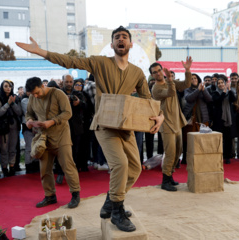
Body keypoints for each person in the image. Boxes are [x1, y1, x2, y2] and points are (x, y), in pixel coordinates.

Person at [16, 26, 164, 232]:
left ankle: (111, 201)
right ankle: (117, 211)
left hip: (127, 127)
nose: (120, 39)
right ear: (112, 45)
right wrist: (42, 52)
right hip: (104, 124)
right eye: (117, 37)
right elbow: (71, 61)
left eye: (124, 37)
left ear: (130, 44)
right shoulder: (100, 62)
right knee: (120, 165)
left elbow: (148, 99)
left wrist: (160, 115)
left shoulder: (138, 72)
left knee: (136, 168)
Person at [24, 77, 81, 209]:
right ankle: (50, 196)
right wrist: (29, 121)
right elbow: (28, 113)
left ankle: (75, 194)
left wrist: (52, 121)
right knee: (44, 169)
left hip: (61, 136)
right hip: (43, 137)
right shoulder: (33, 97)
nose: (36, 96)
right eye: (33, 94)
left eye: (37, 92)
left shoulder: (58, 94)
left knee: (68, 166)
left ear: (43, 86)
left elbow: (68, 113)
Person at [151, 58, 192, 192]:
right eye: (155, 72)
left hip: (177, 122)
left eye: (159, 70)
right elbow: (171, 92)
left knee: (178, 151)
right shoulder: (156, 89)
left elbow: (186, 84)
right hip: (166, 123)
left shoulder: (171, 81)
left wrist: (187, 70)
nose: (158, 73)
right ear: (152, 75)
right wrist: (169, 80)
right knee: (170, 153)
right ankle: (165, 180)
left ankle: (170, 175)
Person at [0, 80, 22, 177]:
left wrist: (12, 103)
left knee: (13, 148)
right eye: (6, 86)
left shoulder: (15, 98)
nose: (8, 88)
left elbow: (19, 112)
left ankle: (12, 166)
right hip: (3, 127)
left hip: (14, 126)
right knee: (4, 149)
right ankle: (4, 168)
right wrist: (8, 104)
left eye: (9, 86)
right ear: (2, 87)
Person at [182, 73, 212, 164]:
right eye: (191, 78)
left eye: (195, 78)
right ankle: (185, 158)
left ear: (198, 80)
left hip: (202, 117)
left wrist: (203, 90)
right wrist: (198, 90)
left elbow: (209, 99)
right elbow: (189, 98)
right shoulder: (187, 90)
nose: (194, 79)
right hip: (190, 117)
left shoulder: (204, 89)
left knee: (202, 139)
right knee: (187, 139)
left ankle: (200, 158)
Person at [211, 75, 236, 164]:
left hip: (229, 118)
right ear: (217, 85)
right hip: (219, 119)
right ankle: (218, 155)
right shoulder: (215, 93)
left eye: (222, 83)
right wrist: (224, 92)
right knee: (219, 139)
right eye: (219, 83)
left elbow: (233, 99)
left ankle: (227, 156)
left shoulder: (229, 92)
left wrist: (229, 90)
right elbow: (218, 101)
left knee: (228, 139)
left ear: (225, 83)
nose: (221, 84)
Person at [21, 91, 39, 173]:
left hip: (37, 127)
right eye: (29, 91)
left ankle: (35, 163)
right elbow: (30, 112)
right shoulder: (24, 100)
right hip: (28, 127)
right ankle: (28, 164)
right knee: (29, 147)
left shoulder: (38, 99)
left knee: (37, 146)